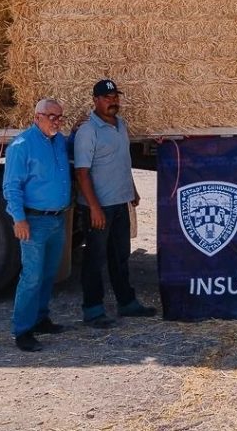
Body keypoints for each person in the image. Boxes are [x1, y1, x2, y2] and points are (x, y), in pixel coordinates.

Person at [75, 79, 156, 326]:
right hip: (99, 207)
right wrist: (95, 208)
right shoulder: (88, 131)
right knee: (95, 259)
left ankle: (127, 303)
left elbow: (123, 161)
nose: (113, 101)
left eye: (115, 97)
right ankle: (93, 309)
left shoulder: (121, 125)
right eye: (107, 97)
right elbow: (82, 173)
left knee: (120, 256)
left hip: (120, 203)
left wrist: (132, 189)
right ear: (95, 100)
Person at [3, 98, 72, 352]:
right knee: (31, 276)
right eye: (52, 116)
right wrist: (18, 219)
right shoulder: (21, 146)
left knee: (48, 274)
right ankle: (22, 330)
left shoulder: (59, 143)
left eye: (60, 117)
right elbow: (12, 186)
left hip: (56, 219)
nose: (57, 121)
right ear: (37, 117)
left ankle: (41, 318)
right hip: (34, 221)